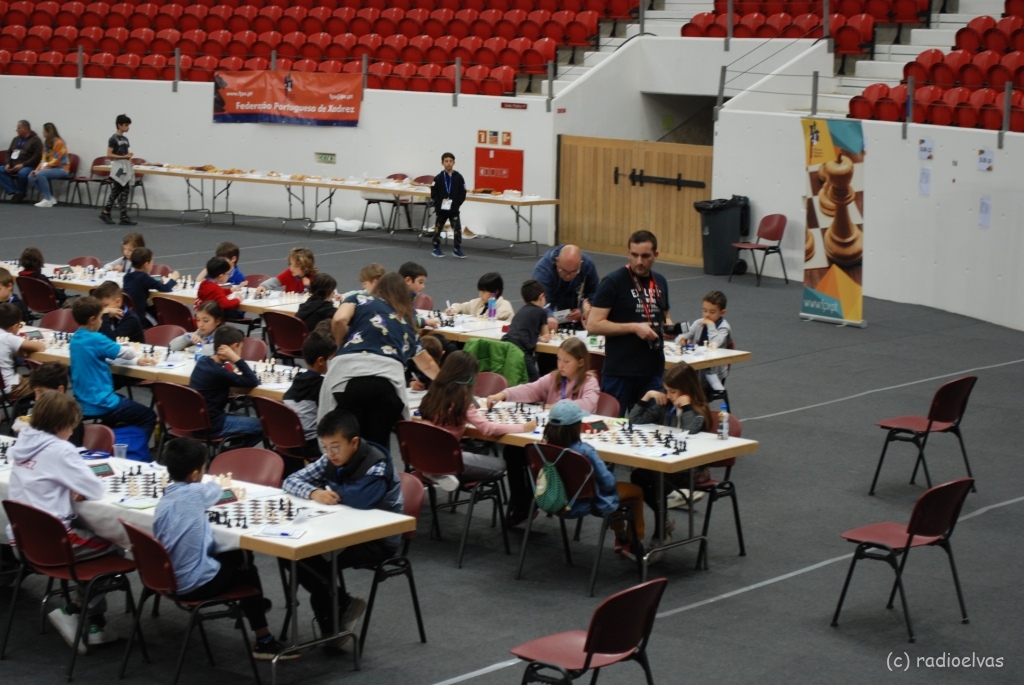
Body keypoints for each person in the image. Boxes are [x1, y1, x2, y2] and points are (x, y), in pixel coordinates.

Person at [154, 437, 297, 661]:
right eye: (202, 470)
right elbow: (215, 488)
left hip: (166, 579)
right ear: (194, 475)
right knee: (246, 565)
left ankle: (252, 607)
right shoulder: (196, 492)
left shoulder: (165, 498)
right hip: (193, 585)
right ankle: (263, 639)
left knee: (235, 555)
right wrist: (210, 481)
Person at [5, 392, 119, 650]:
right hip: (54, 545)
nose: (72, 432)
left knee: (90, 536)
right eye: (71, 426)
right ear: (59, 426)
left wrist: (66, 485)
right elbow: (96, 490)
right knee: (118, 542)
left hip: (21, 542)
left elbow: (42, 479)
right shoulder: (61, 450)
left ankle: (85, 614)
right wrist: (74, 484)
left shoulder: (23, 441)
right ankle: (79, 611)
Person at [282, 409, 402, 649]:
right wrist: (314, 492)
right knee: (290, 555)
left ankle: (333, 619)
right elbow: (290, 480)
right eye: (324, 447)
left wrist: (328, 489)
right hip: (341, 530)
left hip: (377, 539)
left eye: (335, 447)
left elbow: (361, 499)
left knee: (312, 560)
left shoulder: (377, 464)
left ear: (354, 442)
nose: (329, 454)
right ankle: (341, 607)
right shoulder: (330, 458)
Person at [486, 338, 600, 526]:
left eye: (566, 361)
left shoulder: (589, 381)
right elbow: (529, 389)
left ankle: (529, 502)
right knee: (512, 451)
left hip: (570, 441)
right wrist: (503, 395)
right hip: (547, 437)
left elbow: (587, 406)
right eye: (558, 359)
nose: (561, 365)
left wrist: (556, 407)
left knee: (534, 456)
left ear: (581, 362)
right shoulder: (554, 377)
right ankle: (524, 503)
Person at [321, 272, 441, 447]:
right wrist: (449, 386)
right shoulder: (406, 322)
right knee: (377, 447)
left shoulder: (359, 299)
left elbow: (339, 319)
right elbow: (428, 364)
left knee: (344, 444)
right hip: (386, 387)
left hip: (349, 380)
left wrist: (341, 343)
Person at [538, 400, 646, 562]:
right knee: (634, 491)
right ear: (576, 427)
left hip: (552, 500)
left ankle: (621, 537)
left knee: (610, 491)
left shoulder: (542, 447)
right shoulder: (585, 451)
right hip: (581, 504)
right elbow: (608, 484)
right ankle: (633, 543)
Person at [417, 351, 536, 490]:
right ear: (469, 377)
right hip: (448, 458)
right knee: (501, 465)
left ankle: (433, 471)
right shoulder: (461, 400)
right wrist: (523, 428)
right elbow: (488, 429)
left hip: (422, 455)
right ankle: (443, 471)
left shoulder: (433, 392)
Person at [586, 230, 673, 417]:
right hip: (620, 370)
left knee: (652, 429)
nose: (639, 261)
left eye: (645, 256)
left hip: (653, 370)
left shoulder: (660, 282)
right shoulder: (613, 282)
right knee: (610, 428)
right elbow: (593, 325)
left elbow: (665, 316)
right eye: (634, 255)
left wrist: (668, 328)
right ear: (628, 253)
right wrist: (634, 327)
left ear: (656, 255)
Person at [628, 362, 712, 549]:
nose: (669, 396)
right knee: (638, 475)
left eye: (673, 391)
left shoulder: (699, 410)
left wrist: (688, 407)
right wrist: (647, 396)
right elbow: (634, 421)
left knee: (654, 478)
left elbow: (690, 431)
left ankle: (661, 532)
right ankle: (663, 519)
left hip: (690, 468)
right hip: (665, 462)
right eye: (666, 390)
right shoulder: (666, 405)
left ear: (686, 390)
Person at [69, 296, 157, 442]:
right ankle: (134, 452)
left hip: (82, 401)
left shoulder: (75, 339)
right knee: (148, 416)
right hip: (103, 403)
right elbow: (126, 353)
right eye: (100, 318)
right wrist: (133, 352)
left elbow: (104, 354)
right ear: (92, 320)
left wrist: (136, 361)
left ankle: (105, 437)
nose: (102, 321)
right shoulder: (96, 339)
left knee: (122, 403)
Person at [188, 325, 262, 443]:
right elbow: (253, 381)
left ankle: (233, 450)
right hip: (213, 426)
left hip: (194, 422)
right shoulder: (219, 373)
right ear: (234, 346)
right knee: (264, 426)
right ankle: (232, 454)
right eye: (241, 348)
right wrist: (236, 360)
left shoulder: (203, 361)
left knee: (242, 418)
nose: (241, 352)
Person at [283, 331, 337, 462]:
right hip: (311, 445)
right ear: (320, 361)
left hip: (286, 442)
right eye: (331, 360)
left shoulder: (297, 381)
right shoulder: (321, 386)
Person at [12, 362, 85, 446]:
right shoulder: (43, 414)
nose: (37, 398)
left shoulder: (70, 420)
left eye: (41, 392)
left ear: (60, 390)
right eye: (35, 392)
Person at [677, 290, 732, 394]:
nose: (707, 315)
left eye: (712, 312)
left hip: (712, 374)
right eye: (704, 311)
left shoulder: (724, 328)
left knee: (686, 385)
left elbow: (714, 344)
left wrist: (711, 325)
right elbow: (681, 337)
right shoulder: (698, 323)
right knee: (673, 375)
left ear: (722, 312)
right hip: (695, 367)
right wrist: (682, 340)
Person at [531, 244, 599, 327]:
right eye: (564, 271)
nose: (568, 276)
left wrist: (582, 310)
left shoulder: (587, 264)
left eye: (573, 272)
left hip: (575, 315)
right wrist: (549, 316)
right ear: (557, 261)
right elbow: (538, 299)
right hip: (551, 312)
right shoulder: (543, 271)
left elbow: (595, 293)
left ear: (581, 263)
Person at [502, 279, 551, 382]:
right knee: (535, 381)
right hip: (521, 350)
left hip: (506, 344)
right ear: (541, 297)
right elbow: (546, 335)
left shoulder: (521, 310)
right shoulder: (541, 312)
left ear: (524, 300)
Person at [122, 247, 179, 326]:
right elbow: (165, 288)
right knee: (158, 319)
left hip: (127, 316)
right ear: (146, 264)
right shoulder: (144, 278)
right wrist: (173, 279)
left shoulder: (127, 277)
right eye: (152, 261)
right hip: (140, 319)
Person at [0, 303, 46, 399]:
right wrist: (25, 344)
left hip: (2, 386)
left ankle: (21, 410)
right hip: (10, 388)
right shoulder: (8, 337)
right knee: (48, 384)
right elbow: (40, 347)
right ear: (14, 326)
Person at [98, 114, 137, 226]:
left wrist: (130, 164)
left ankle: (121, 215)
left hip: (125, 166)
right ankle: (108, 212)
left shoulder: (125, 139)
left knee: (124, 190)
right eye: (125, 125)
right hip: (119, 167)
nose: (127, 127)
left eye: (128, 125)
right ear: (119, 125)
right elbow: (109, 155)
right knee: (118, 189)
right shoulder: (113, 139)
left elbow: (126, 154)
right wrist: (124, 157)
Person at [429, 151, 467, 259]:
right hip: (441, 209)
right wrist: (437, 204)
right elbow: (434, 193)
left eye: (451, 161)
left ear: (454, 162)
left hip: (454, 208)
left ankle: (457, 249)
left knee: (457, 229)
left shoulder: (459, 177)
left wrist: (457, 203)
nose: (448, 163)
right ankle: (436, 248)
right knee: (438, 228)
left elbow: (463, 192)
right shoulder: (438, 178)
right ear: (442, 163)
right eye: (446, 161)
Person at [27, 123, 71, 208]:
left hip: (62, 168)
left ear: (48, 132)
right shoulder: (47, 143)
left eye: (43, 130)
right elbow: (43, 159)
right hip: (50, 168)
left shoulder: (59, 143)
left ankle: (47, 200)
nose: (42, 132)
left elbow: (56, 160)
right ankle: (50, 197)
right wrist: (37, 169)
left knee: (41, 174)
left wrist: (41, 170)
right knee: (31, 176)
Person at [1, 120, 43, 203]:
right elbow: (9, 152)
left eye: (18, 128)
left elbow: (37, 156)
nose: (16, 130)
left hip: (28, 165)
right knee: (0, 170)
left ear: (25, 129)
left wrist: (23, 164)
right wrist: (7, 163)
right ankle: (13, 191)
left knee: (22, 173)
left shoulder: (36, 140)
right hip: (13, 164)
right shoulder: (15, 139)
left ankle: (21, 193)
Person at [445, 272, 514, 321]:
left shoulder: (504, 308)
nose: (480, 295)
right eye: (480, 291)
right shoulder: (479, 302)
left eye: (484, 292)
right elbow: (461, 306)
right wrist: (452, 309)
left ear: (495, 292)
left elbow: (489, 323)